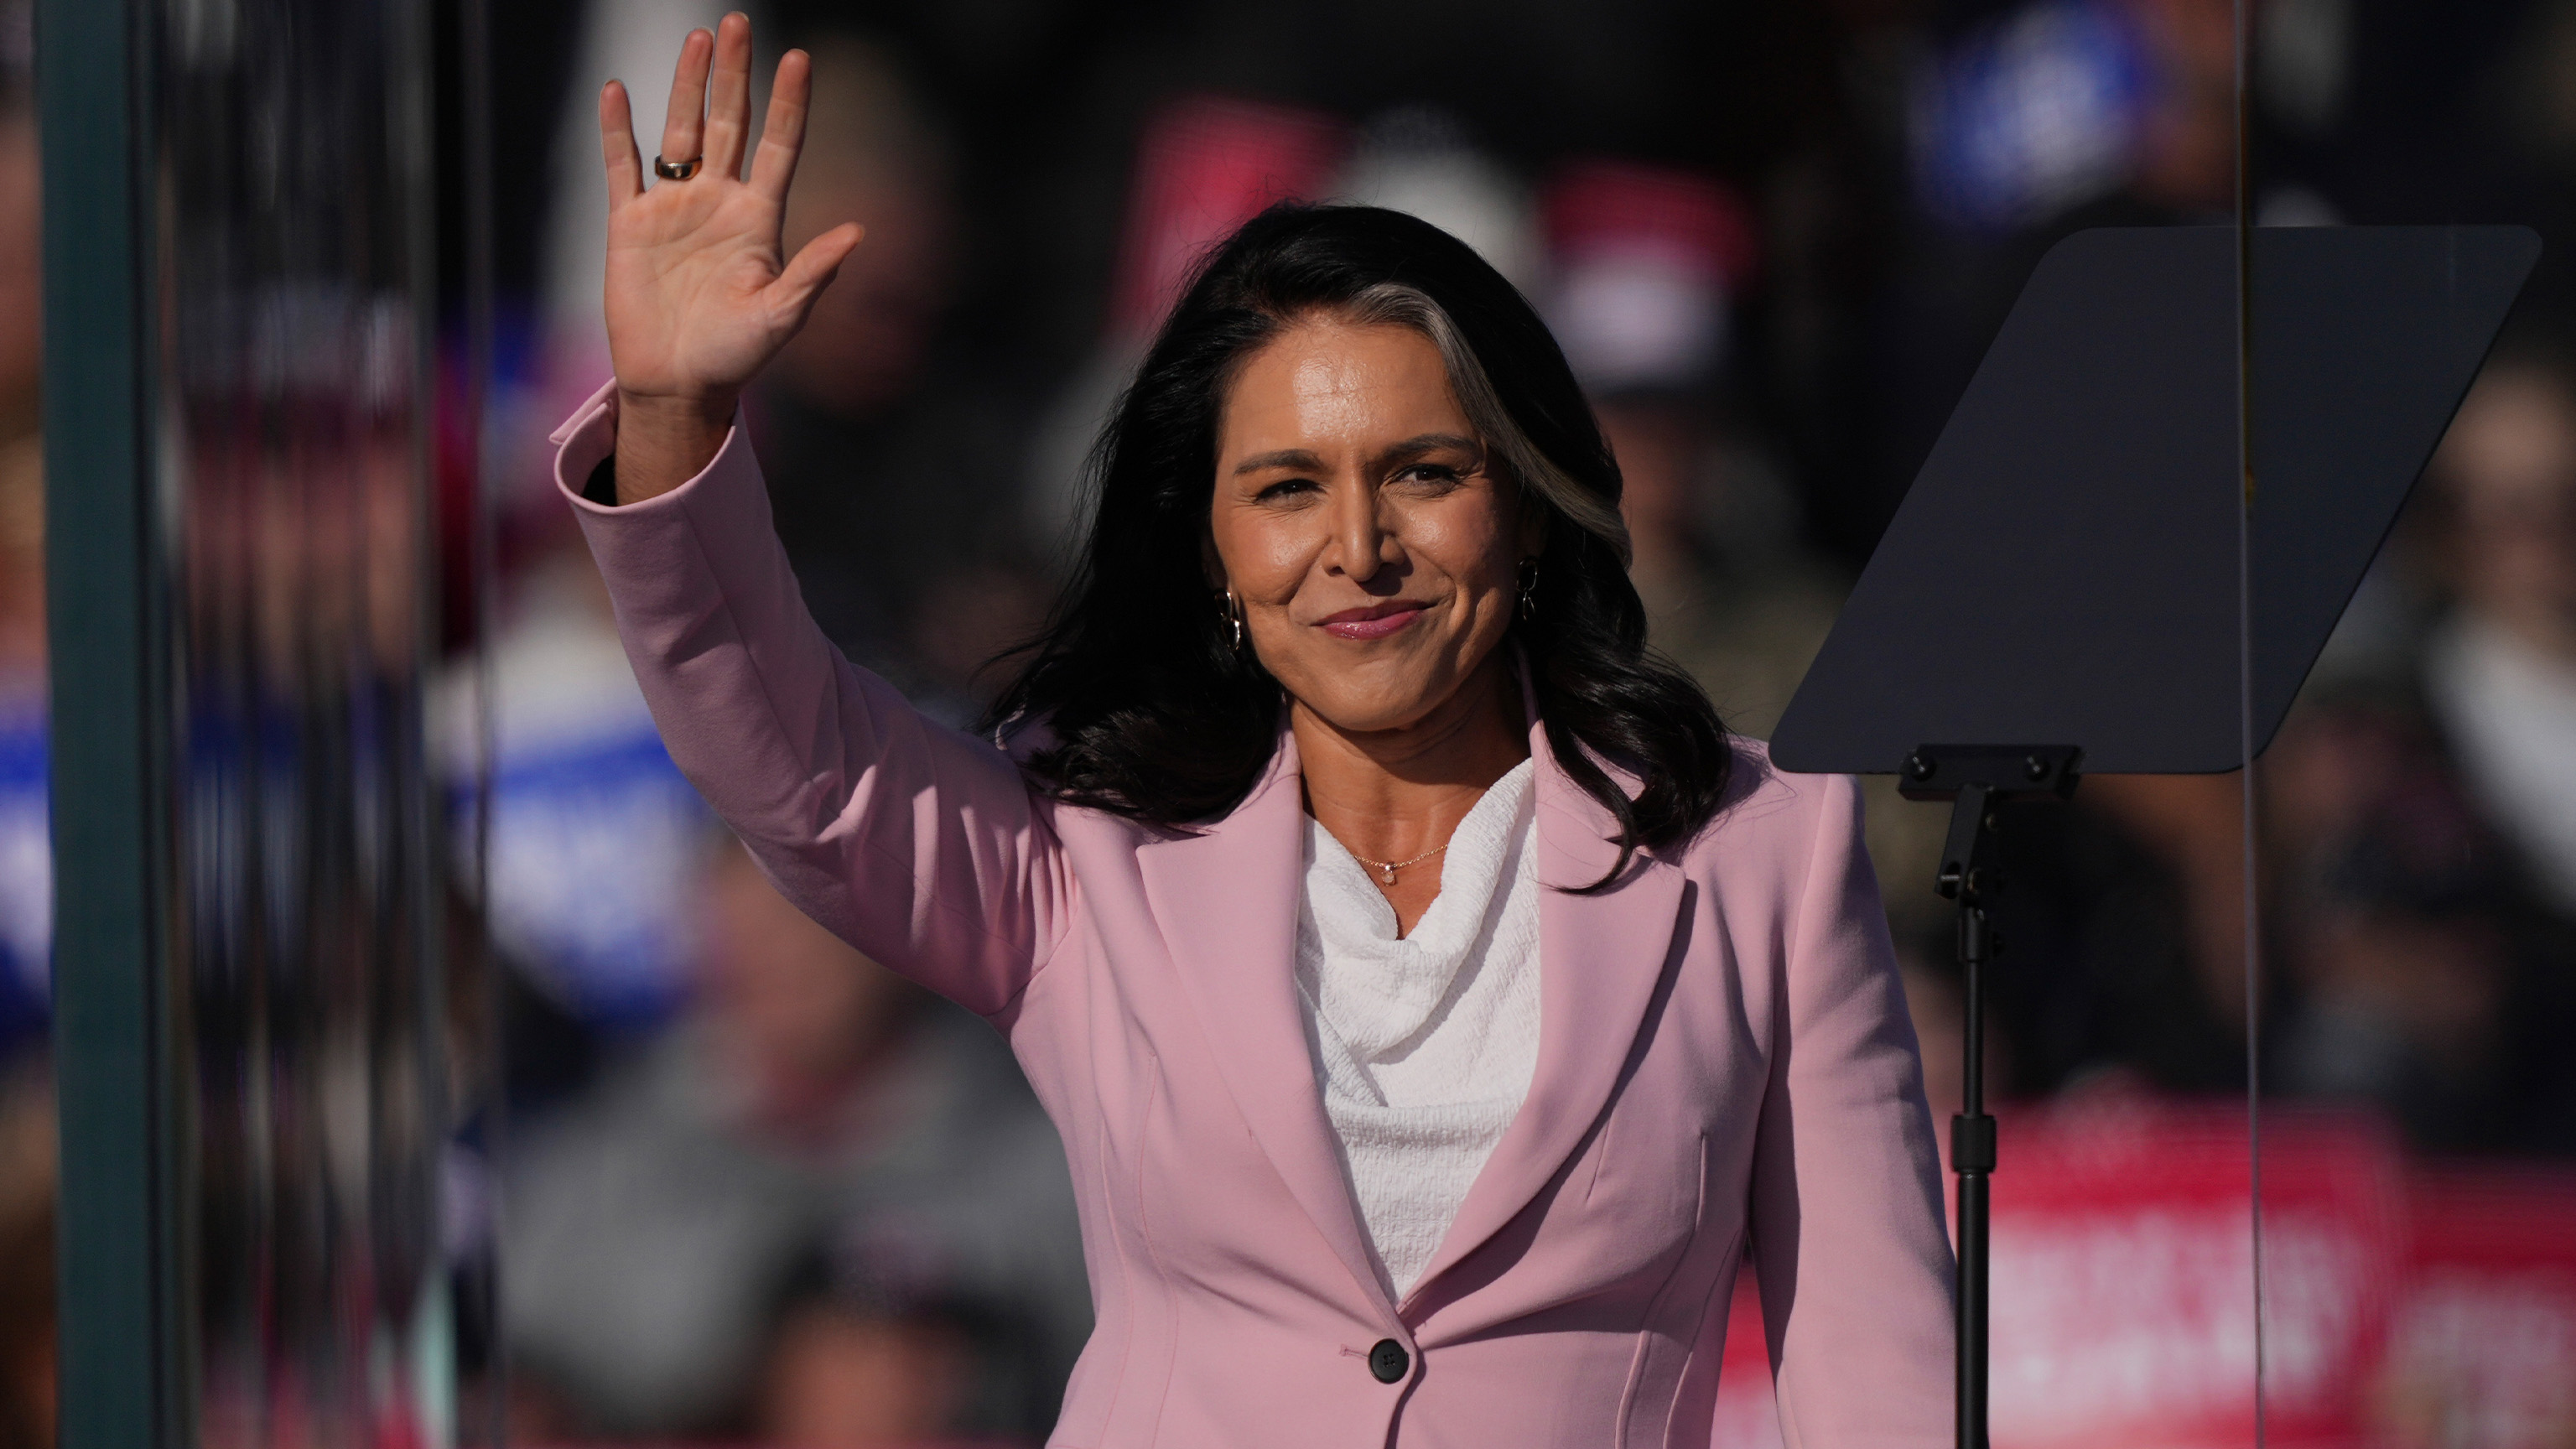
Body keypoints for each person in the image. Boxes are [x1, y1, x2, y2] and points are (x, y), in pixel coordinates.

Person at [555, 15, 1952, 1443]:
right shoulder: (1084, 848)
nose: (1359, 545)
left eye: (1422, 471)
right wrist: (673, 419)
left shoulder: (1761, 848)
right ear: (1212, 544)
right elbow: (795, 763)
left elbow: (1876, 1368)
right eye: (1288, 488)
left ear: (1527, 503)